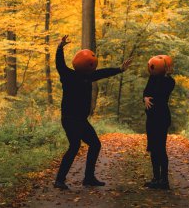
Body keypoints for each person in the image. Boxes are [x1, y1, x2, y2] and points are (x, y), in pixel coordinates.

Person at [54, 35, 132, 190]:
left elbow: (103, 72)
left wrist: (120, 69)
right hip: (70, 119)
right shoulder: (68, 75)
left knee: (95, 144)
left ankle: (88, 177)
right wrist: (60, 47)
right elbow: (60, 64)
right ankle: (59, 180)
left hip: (80, 120)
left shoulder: (88, 76)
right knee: (75, 146)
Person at [143, 57, 175, 190]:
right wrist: (144, 98)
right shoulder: (152, 78)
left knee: (160, 148)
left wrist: (166, 74)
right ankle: (156, 178)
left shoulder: (169, 81)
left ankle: (164, 180)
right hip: (151, 119)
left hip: (161, 118)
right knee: (153, 149)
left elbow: (160, 92)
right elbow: (146, 92)